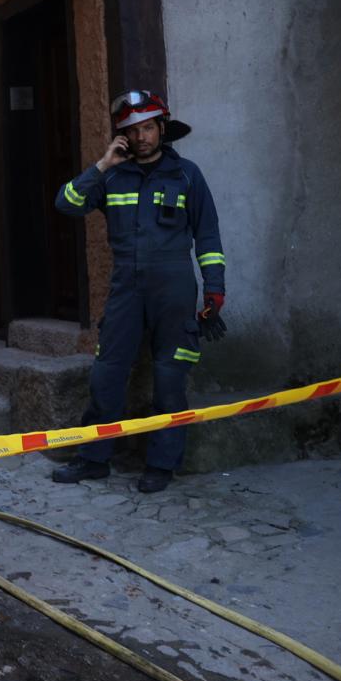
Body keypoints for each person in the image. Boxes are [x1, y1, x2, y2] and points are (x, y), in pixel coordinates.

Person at [51, 90, 226, 494]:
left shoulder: (187, 175)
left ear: (162, 129)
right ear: (123, 137)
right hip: (126, 288)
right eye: (133, 130)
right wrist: (101, 164)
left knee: (170, 379)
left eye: (148, 127)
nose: (142, 136)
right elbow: (66, 203)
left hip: (175, 289)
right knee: (107, 375)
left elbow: (208, 235)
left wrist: (214, 290)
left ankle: (161, 465)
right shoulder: (111, 176)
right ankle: (95, 459)